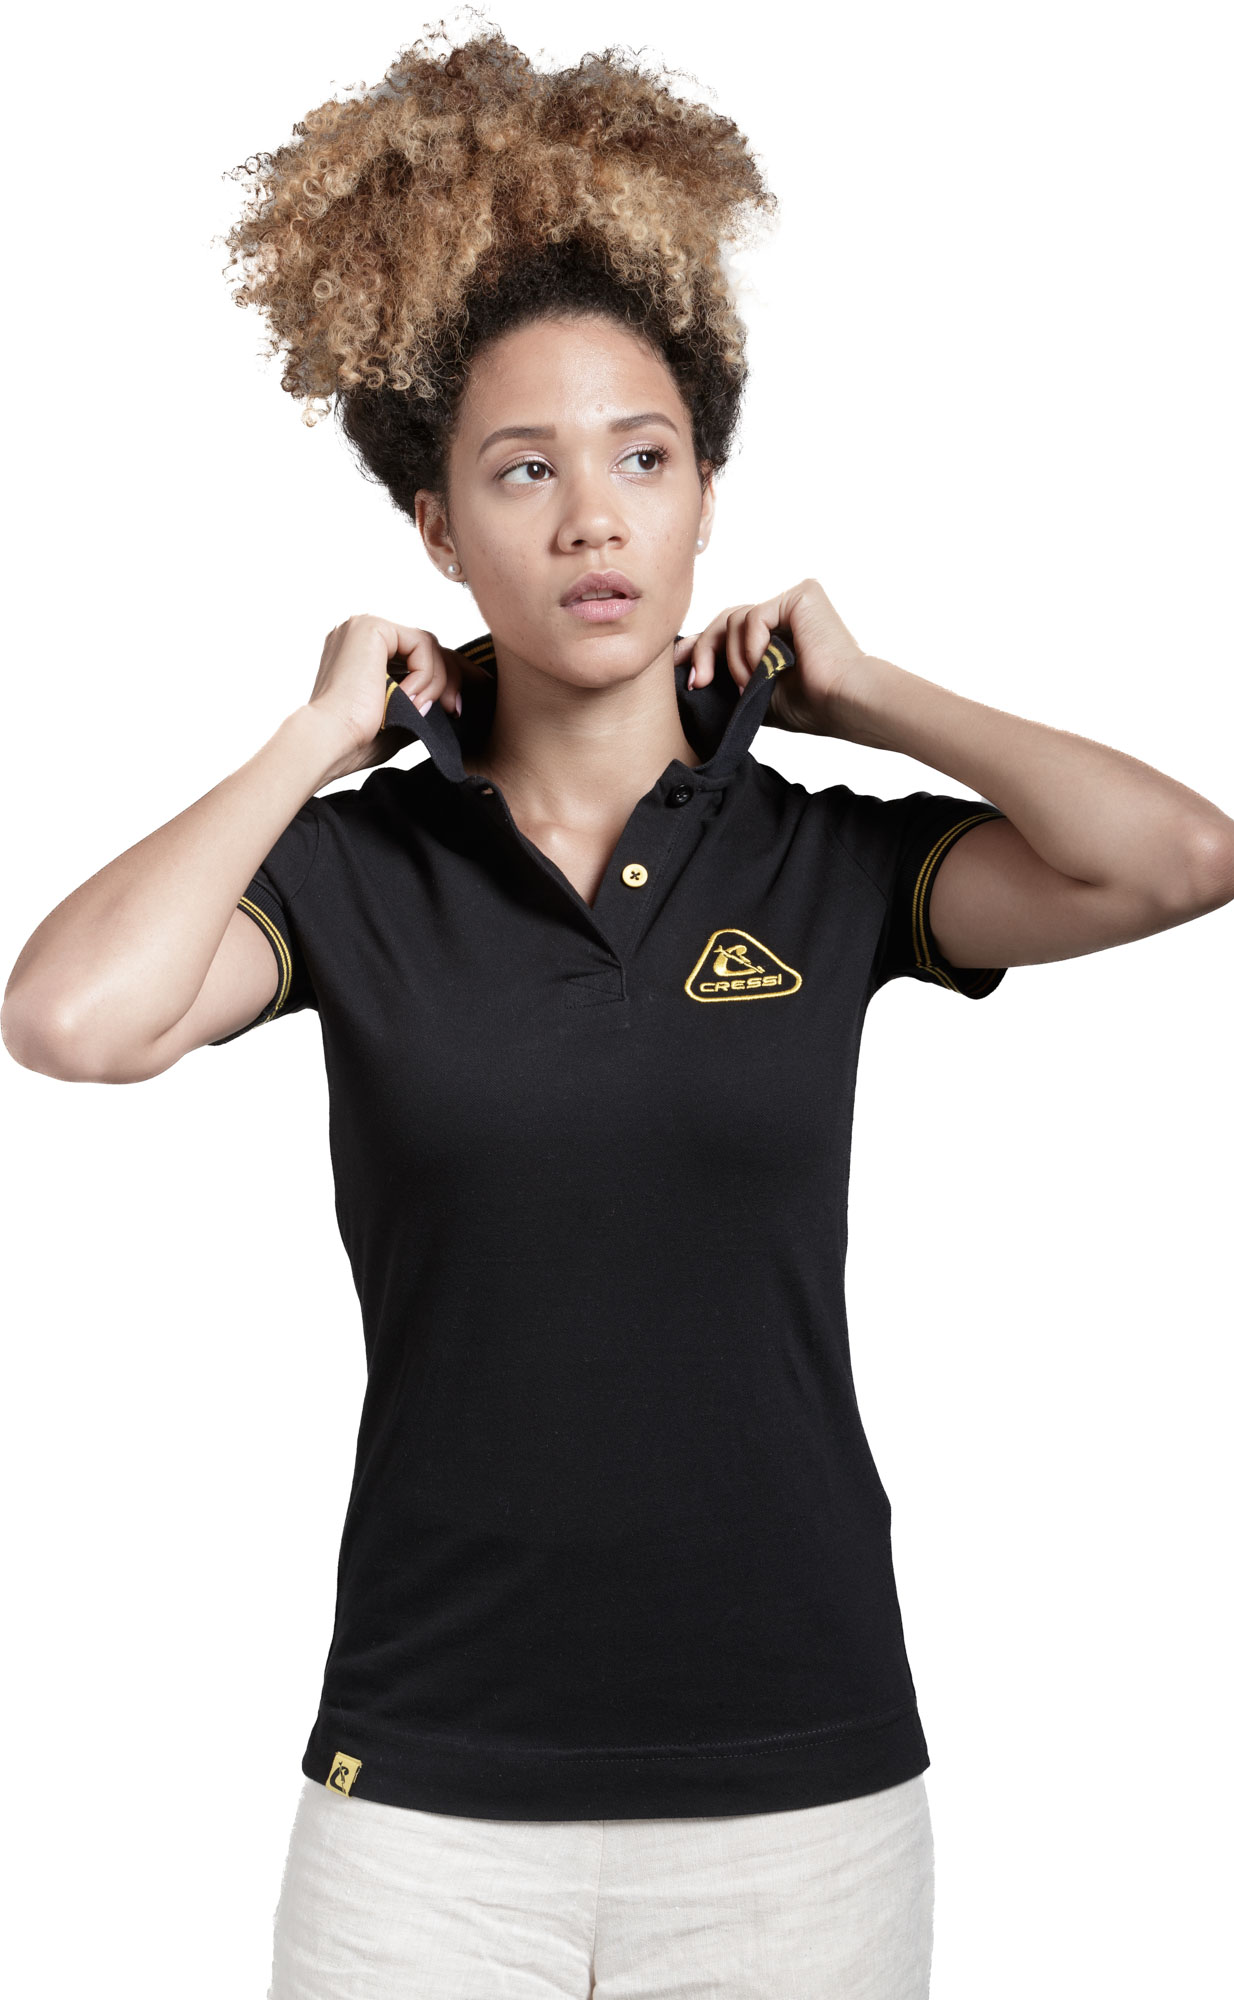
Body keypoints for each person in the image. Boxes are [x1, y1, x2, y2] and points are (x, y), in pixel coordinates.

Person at [4, 20, 1233, 2000]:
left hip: (798, 1797)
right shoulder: (353, 874)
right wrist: (310, 738)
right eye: (526, 470)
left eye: (642, 458)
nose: (593, 518)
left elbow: (1174, 858)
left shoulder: (821, 860)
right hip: (420, 1808)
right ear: (437, 529)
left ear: (703, 493)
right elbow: (70, 1017)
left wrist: (873, 694)